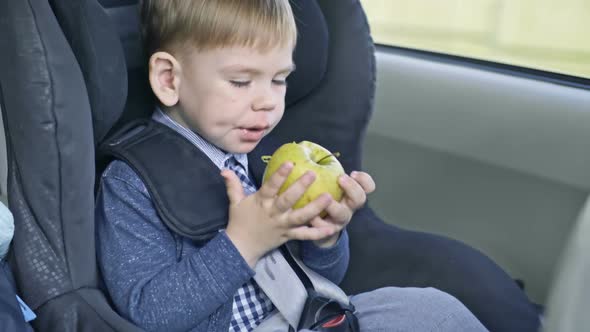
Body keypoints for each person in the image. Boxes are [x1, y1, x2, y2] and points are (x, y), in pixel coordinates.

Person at [95, 1, 487, 331]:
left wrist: (325, 239)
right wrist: (243, 243)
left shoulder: (258, 158)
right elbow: (147, 310)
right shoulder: (133, 184)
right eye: (241, 81)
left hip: (307, 317)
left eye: (279, 80)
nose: (267, 102)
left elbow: (317, 280)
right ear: (168, 79)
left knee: (437, 312)